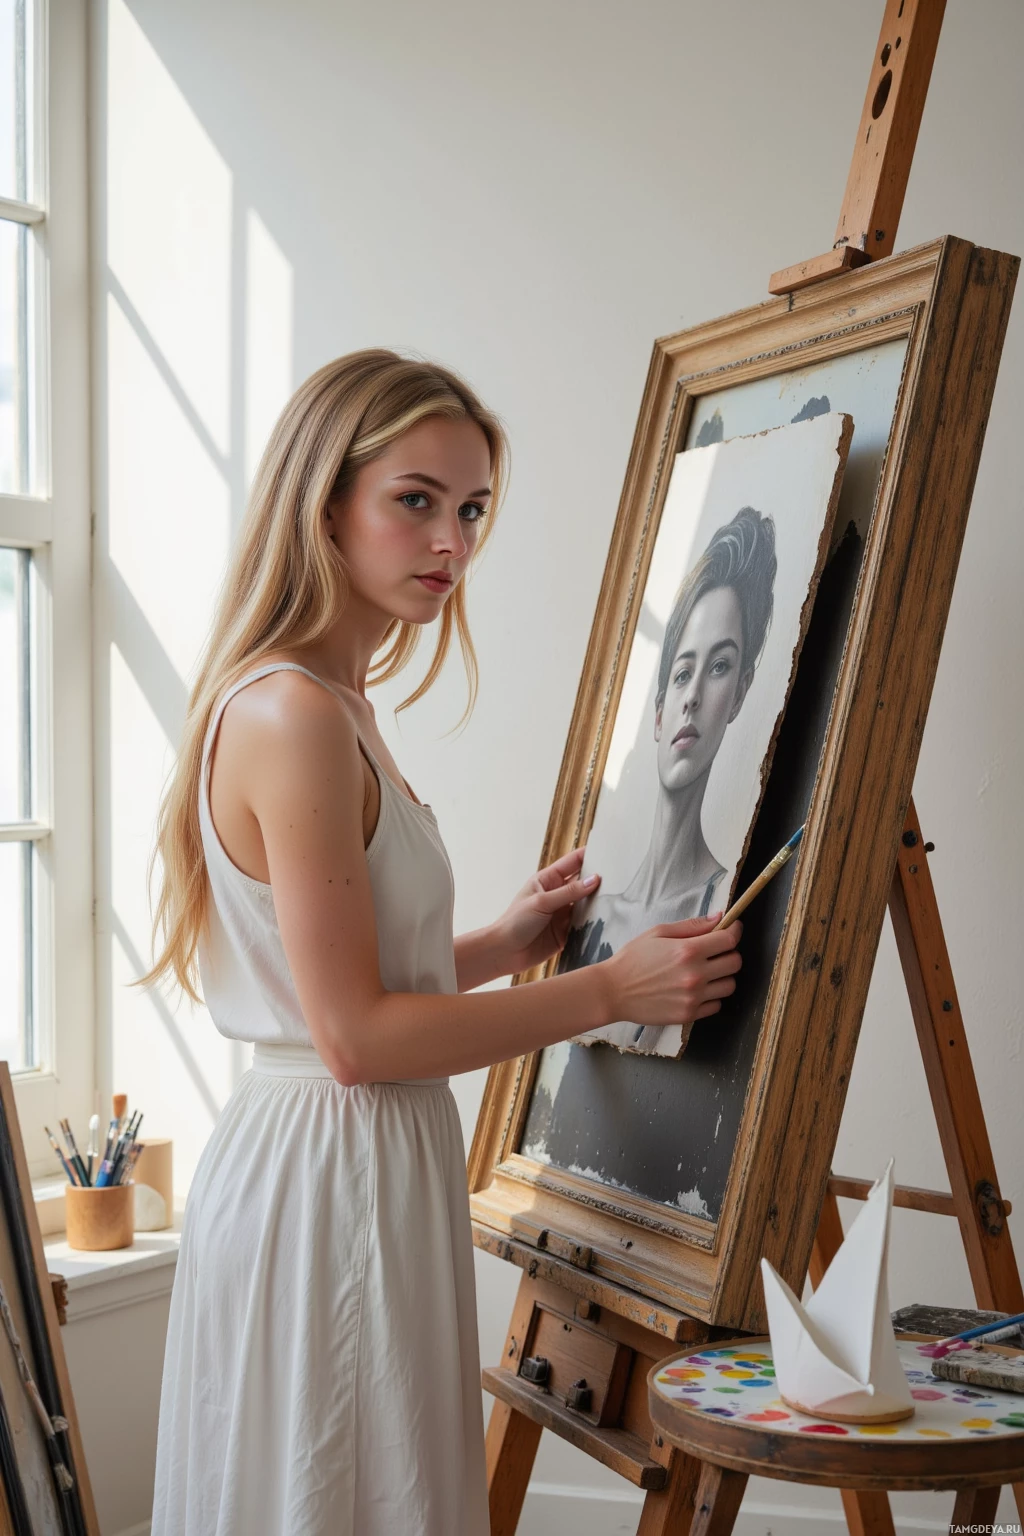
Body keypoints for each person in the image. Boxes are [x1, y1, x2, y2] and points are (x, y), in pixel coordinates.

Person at [142, 349, 743, 1535]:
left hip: (360, 1157)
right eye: (414, 500)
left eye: (469, 511)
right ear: (325, 501)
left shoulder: (338, 704)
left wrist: (506, 941)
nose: (450, 543)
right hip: (329, 1168)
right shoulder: (293, 713)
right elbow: (356, 1037)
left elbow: (342, 983)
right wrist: (610, 988)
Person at [562, 507, 775, 1055]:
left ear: (742, 693)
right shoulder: (590, 915)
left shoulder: (728, 909)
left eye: (720, 667)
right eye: (682, 673)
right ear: (657, 713)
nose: (694, 696)